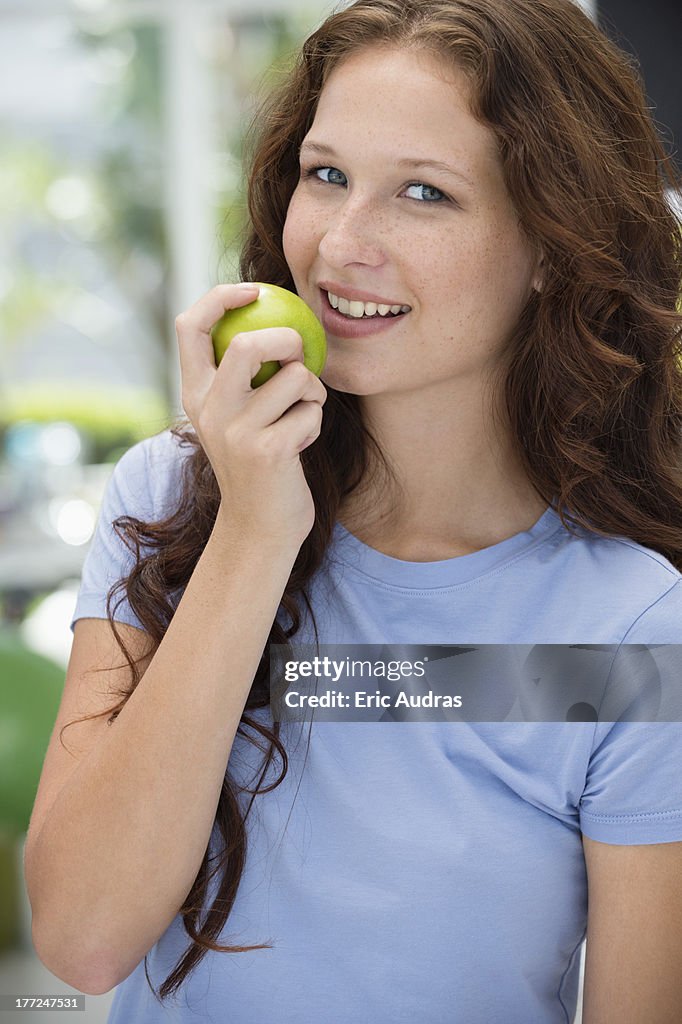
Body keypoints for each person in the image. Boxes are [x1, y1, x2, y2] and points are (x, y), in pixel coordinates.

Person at [24, 0, 682, 1021]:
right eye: (325, 174)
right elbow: (83, 935)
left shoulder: (625, 625)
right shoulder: (171, 498)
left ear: (551, 243)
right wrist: (252, 529)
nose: (338, 242)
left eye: (423, 192)